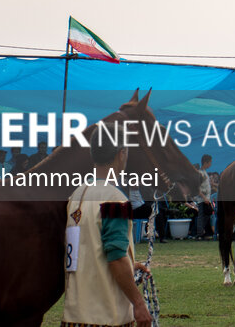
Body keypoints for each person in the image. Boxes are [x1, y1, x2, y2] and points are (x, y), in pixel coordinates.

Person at [62, 127, 152, 327]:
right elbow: (116, 257)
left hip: (74, 316)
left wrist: (130, 265)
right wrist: (138, 303)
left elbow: (87, 251)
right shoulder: (114, 199)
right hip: (106, 316)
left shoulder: (76, 195)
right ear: (122, 154)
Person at [194, 155, 215, 239]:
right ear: (206, 162)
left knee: (208, 214)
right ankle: (199, 233)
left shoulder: (204, 172)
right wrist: (204, 197)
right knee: (201, 216)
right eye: (210, 162)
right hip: (202, 199)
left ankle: (203, 231)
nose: (211, 164)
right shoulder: (200, 173)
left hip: (206, 198)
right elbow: (197, 188)